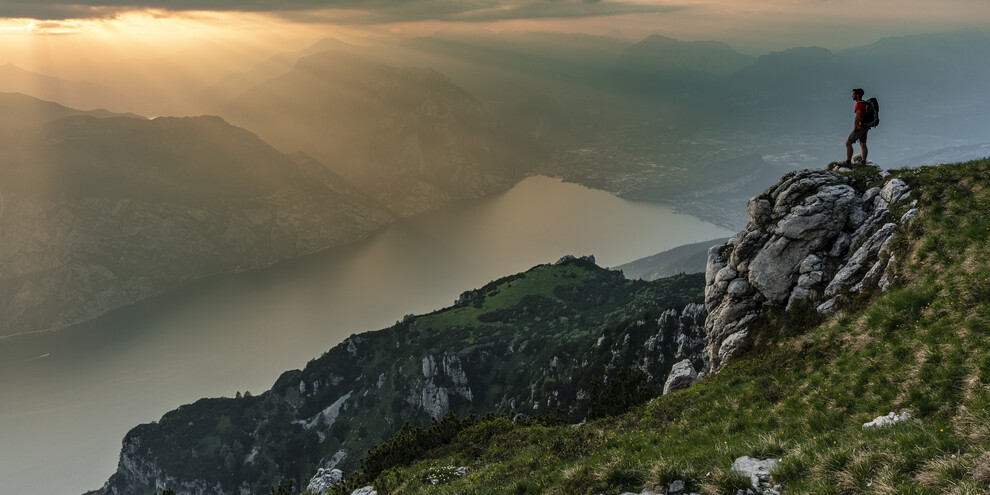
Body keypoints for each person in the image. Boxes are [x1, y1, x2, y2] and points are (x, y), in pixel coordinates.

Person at [845, 88, 869, 165]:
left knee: (848, 143)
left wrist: (855, 129)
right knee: (863, 143)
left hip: (860, 127)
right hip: (866, 126)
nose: (852, 96)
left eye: (854, 94)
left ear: (857, 95)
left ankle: (848, 161)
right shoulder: (865, 103)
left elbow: (857, 117)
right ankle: (863, 161)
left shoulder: (858, 105)